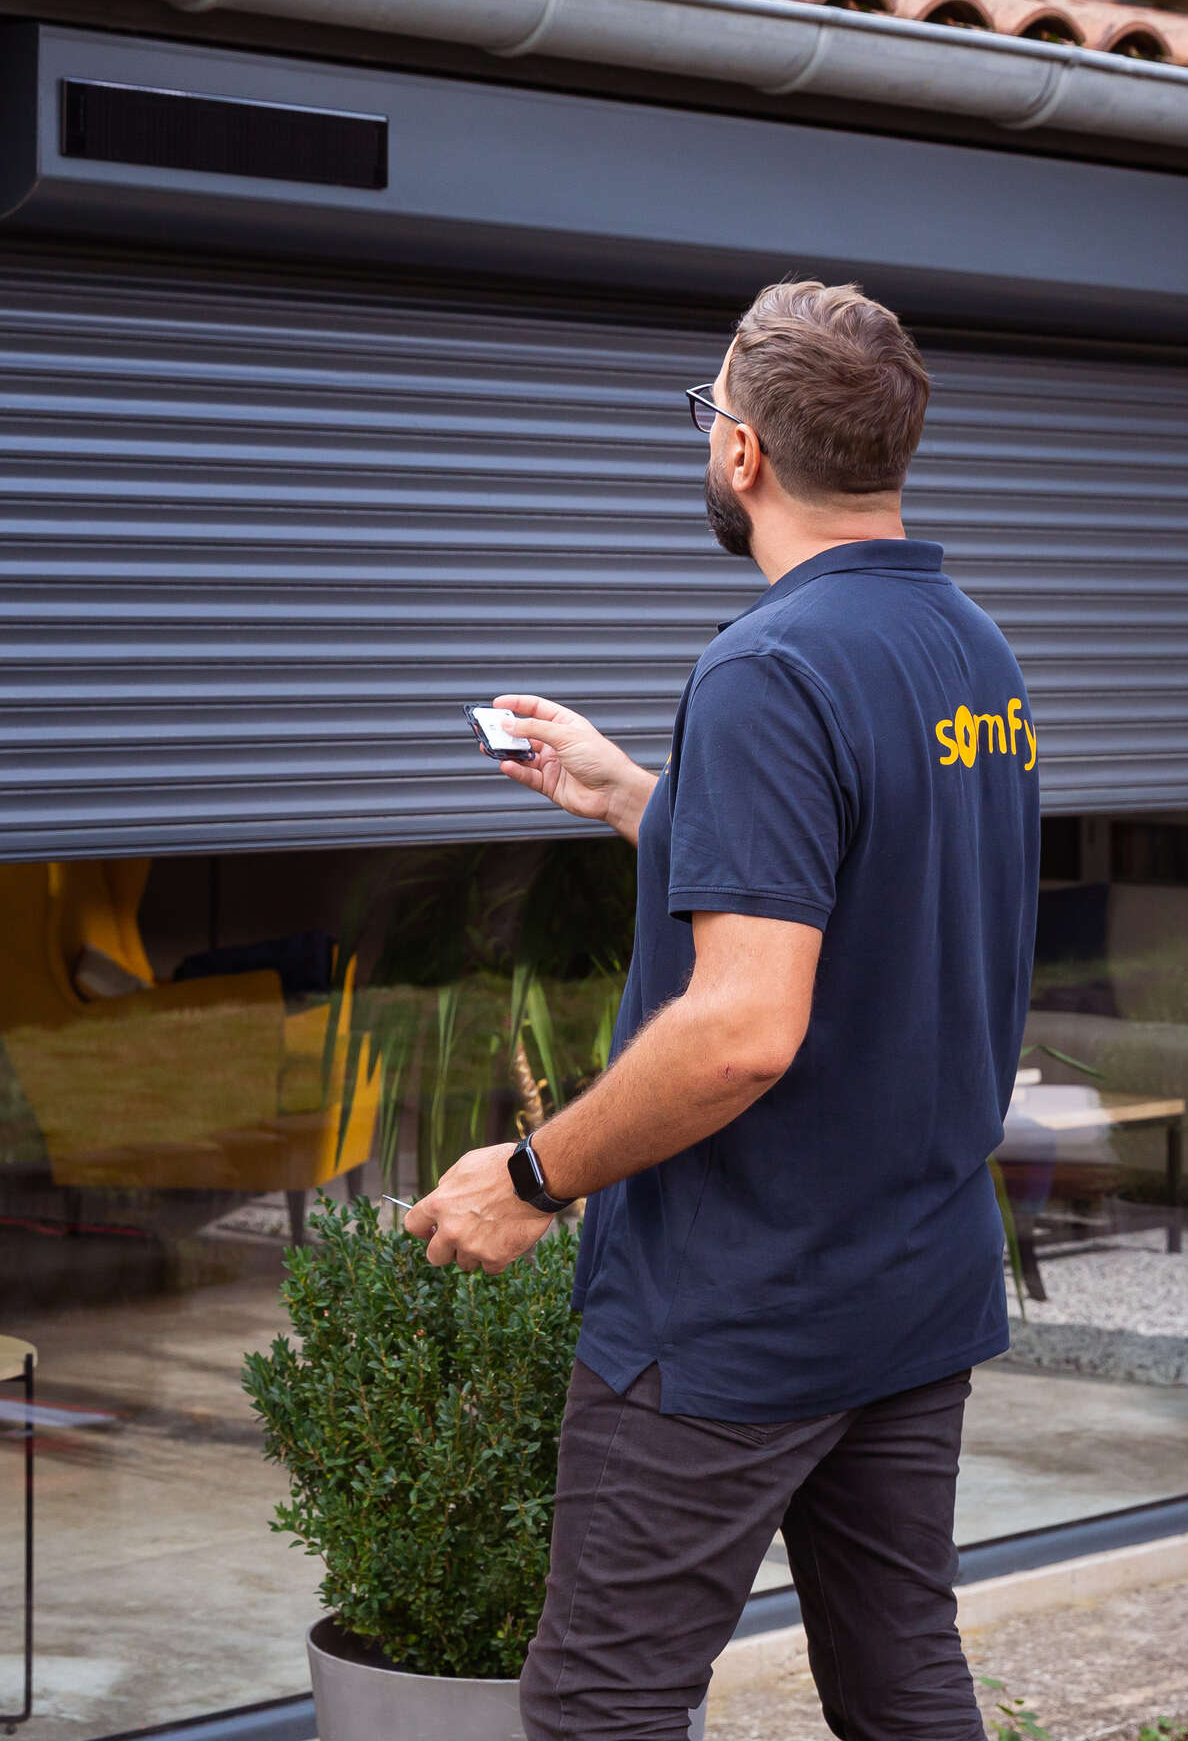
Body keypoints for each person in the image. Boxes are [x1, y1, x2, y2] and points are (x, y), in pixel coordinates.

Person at [402, 280, 1040, 1740]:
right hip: (912, 1282)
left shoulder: (769, 669)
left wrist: (530, 1177)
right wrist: (639, 798)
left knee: (601, 1708)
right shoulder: (975, 653)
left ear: (744, 452)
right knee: (900, 1682)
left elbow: (746, 1028)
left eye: (710, 417)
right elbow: (873, 889)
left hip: (737, 1309)